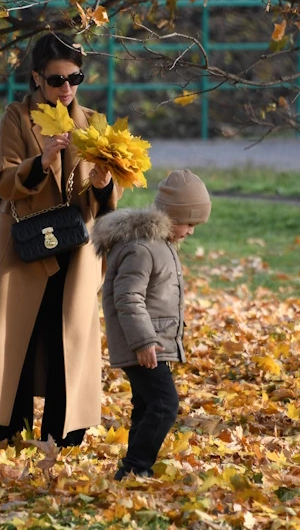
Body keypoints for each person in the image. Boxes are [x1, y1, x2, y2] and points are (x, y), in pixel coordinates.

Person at [0, 32, 122, 447]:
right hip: (25, 245)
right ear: (36, 77)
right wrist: (44, 160)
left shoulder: (94, 123)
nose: (66, 89)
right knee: (17, 335)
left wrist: (104, 184)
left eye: (75, 78)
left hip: (75, 248)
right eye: (56, 80)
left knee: (65, 336)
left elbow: (103, 201)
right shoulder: (16, 118)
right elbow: (4, 180)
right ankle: (10, 429)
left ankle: (63, 432)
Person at [90, 169, 211, 480]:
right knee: (165, 404)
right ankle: (135, 467)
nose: (192, 232)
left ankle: (133, 469)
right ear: (171, 215)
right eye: (190, 223)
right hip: (144, 344)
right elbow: (127, 298)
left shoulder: (159, 245)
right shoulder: (142, 248)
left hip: (153, 343)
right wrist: (143, 341)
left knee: (146, 404)